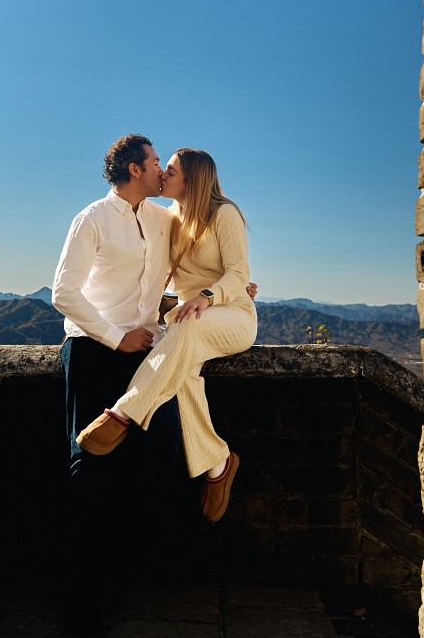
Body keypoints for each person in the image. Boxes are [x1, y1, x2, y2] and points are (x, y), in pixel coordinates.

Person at [75, 147, 257, 523]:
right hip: (190, 321)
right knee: (181, 372)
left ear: (192, 178)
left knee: (182, 328)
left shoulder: (225, 214)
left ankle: (125, 413)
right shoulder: (169, 219)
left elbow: (237, 273)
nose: (163, 175)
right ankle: (219, 464)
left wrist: (213, 295)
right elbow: (161, 275)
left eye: (169, 170)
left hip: (232, 317)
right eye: (161, 167)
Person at [51, 134, 184, 632]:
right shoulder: (92, 219)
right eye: (154, 163)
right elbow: (63, 292)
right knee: (89, 464)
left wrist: (227, 286)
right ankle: (85, 596)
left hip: (146, 356)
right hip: (91, 350)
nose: (161, 171)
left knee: (163, 446)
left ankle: (124, 571)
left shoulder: (162, 219)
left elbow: (185, 269)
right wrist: (112, 336)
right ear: (134, 169)